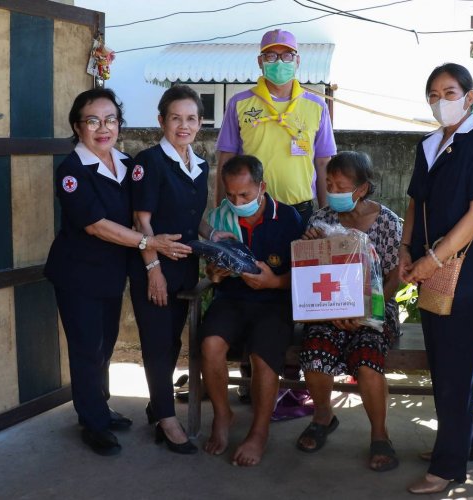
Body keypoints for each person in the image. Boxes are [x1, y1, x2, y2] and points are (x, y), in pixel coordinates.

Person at [44, 88, 191, 456]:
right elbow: (97, 225)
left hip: (111, 273)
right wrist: (149, 244)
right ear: (78, 127)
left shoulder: (126, 164)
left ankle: (100, 406)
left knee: (105, 346)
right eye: (92, 121)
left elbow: (145, 212)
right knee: (87, 348)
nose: (103, 128)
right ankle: (92, 421)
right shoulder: (72, 172)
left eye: (110, 120)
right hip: (78, 275)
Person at [400, 63, 473, 494]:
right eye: (434, 94)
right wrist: (406, 251)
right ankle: (464, 442)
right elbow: (413, 203)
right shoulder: (428, 146)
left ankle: (447, 467)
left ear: (470, 96)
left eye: (451, 92)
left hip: (465, 271)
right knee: (442, 363)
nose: (442, 101)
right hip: (429, 267)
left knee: (458, 367)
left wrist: (432, 261)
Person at [295, 151, 402, 472]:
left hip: (376, 310)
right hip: (328, 309)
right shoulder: (320, 221)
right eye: (328, 184)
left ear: (362, 188)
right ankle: (323, 417)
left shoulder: (388, 224)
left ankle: (380, 435)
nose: (332, 191)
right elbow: (310, 275)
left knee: (367, 358)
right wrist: (309, 245)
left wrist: (366, 308)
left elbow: (396, 275)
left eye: (340, 186)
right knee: (315, 350)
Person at [199, 155, 303, 466]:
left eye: (244, 195)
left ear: (262, 187)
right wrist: (215, 274)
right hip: (231, 300)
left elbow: (302, 278)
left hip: (274, 303)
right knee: (210, 344)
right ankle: (222, 415)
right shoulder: (219, 219)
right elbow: (212, 273)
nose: (237, 201)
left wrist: (272, 282)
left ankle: (259, 432)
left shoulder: (289, 219)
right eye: (230, 195)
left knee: (262, 355)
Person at [129, 85, 211, 454]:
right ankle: (166, 419)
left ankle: (155, 404)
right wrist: (154, 269)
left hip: (187, 267)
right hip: (155, 266)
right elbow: (140, 221)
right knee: (157, 344)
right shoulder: (149, 162)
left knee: (173, 340)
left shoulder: (200, 164)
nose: (183, 125)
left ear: (200, 122)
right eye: (175, 118)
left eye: (191, 118)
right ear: (161, 120)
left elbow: (194, 218)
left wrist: (212, 233)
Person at [215, 28, 336, 227]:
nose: (279, 62)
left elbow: (323, 163)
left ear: (297, 61)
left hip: (302, 211)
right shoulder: (238, 104)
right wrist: (220, 212)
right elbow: (226, 160)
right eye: (271, 56)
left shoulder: (317, 106)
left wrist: (326, 216)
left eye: (287, 55)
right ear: (260, 62)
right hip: (252, 211)